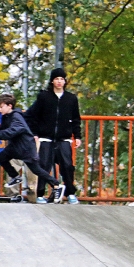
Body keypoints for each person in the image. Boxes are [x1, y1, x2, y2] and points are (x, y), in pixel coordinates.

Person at [24, 68, 82, 204]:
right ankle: (40, 194)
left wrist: (77, 136)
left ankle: (70, 193)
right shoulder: (44, 97)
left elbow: (76, 119)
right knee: (44, 165)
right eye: (57, 79)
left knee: (67, 165)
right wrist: (35, 133)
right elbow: (33, 115)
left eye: (62, 79)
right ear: (52, 81)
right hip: (46, 137)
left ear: (65, 81)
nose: (59, 82)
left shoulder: (71, 98)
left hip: (64, 137)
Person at [0, 94, 64, 203]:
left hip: (26, 148)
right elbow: (2, 128)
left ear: (9, 106)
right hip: (15, 147)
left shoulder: (17, 117)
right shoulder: (6, 117)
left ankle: (56, 185)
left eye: (1, 106)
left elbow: (9, 133)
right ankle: (15, 177)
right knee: (1, 157)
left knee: (36, 169)